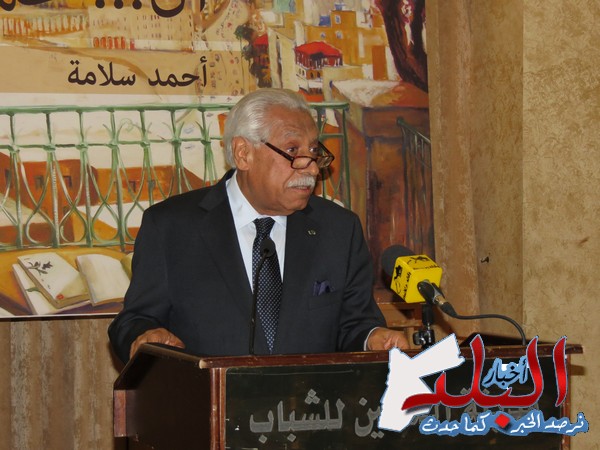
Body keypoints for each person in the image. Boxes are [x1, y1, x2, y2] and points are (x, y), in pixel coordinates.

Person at [108, 88, 408, 364]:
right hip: (206, 400)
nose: (312, 168)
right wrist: (143, 336)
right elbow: (134, 320)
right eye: (293, 150)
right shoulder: (171, 227)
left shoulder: (339, 229)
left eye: (314, 152)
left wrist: (373, 338)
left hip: (310, 401)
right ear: (244, 153)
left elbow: (355, 323)